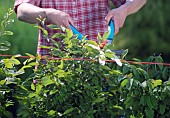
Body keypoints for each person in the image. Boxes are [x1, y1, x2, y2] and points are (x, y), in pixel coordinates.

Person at [14, 0, 146, 57]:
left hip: (100, 71)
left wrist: (124, 9)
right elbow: (22, 10)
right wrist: (48, 14)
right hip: (53, 73)